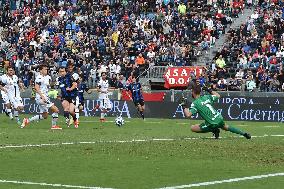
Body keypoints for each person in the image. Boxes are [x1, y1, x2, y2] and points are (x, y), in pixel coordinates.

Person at [179, 82, 251, 139]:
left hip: (212, 123)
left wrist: (183, 105)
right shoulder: (206, 97)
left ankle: (215, 130)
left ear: (193, 92)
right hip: (219, 118)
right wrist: (209, 90)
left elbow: (188, 114)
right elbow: (218, 96)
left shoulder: (195, 103)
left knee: (192, 128)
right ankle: (244, 133)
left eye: (192, 91)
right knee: (226, 126)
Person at [21, 64, 61, 130]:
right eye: (45, 69)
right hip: (41, 98)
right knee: (56, 110)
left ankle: (27, 120)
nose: (46, 70)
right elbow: (36, 87)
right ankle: (54, 126)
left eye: (47, 69)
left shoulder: (48, 77)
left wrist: (55, 84)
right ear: (40, 70)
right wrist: (42, 96)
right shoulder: (39, 77)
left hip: (45, 97)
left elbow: (48, 86)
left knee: (44, 115)